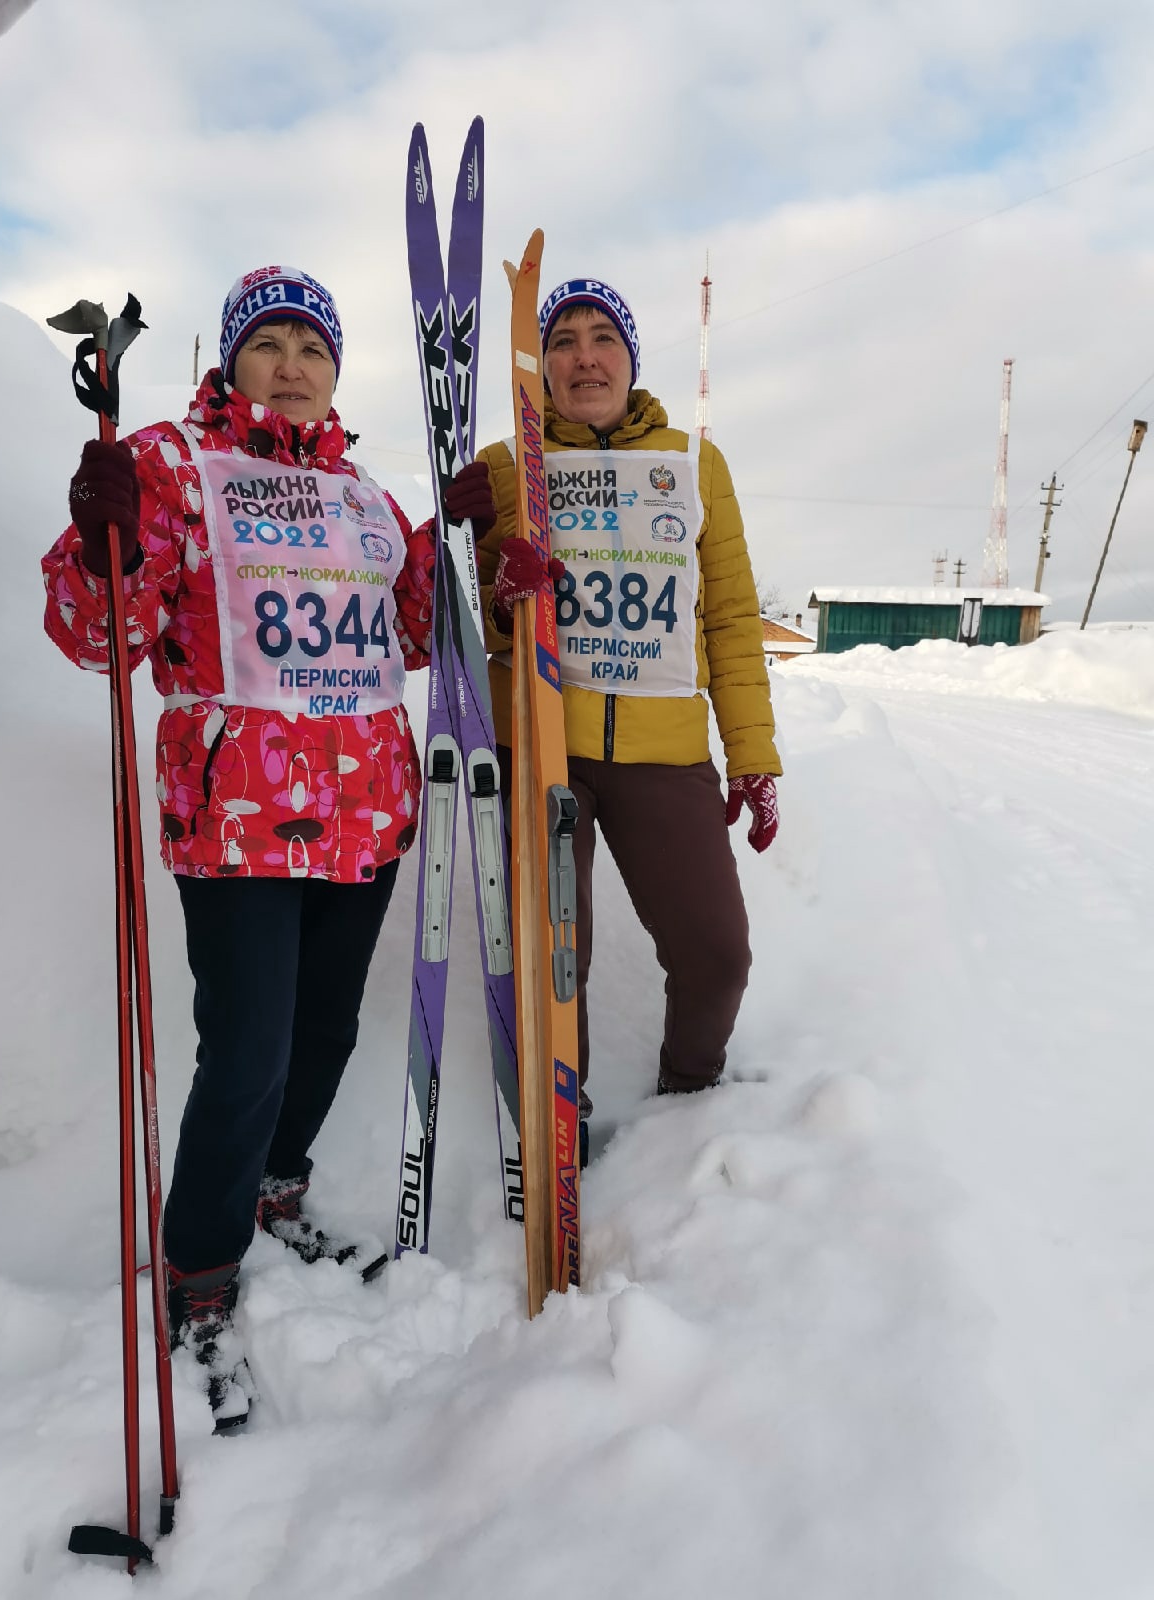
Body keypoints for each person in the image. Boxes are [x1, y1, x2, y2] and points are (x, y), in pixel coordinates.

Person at [43, 264, 462, 1427]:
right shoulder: (179, 466)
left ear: (335, 375)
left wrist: (461, 545)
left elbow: (414, 631)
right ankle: (203, 1263)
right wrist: (100, 537)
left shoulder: (366, 499)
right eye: (267, 342)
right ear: (231, 362)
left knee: (324, 1032)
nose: (291, 363)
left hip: (363, 819)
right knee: (249, 1052)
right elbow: (101, 638)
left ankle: (280, 1190)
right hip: (236, 824)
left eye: (313, 348)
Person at [469, 277, 782, 1158]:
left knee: (717, 952)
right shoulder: (508, 467)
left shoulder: (694, 464)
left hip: (662, 750)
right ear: (542, 366)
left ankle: (687, 1107)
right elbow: (462, 622)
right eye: (561, 339)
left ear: (631, 359)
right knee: (555, 962)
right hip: (539, 743)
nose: (582, 354)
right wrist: (497, 584)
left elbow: (728, 617)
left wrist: (751, 754)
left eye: (601, 335)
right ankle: (558, 1125)